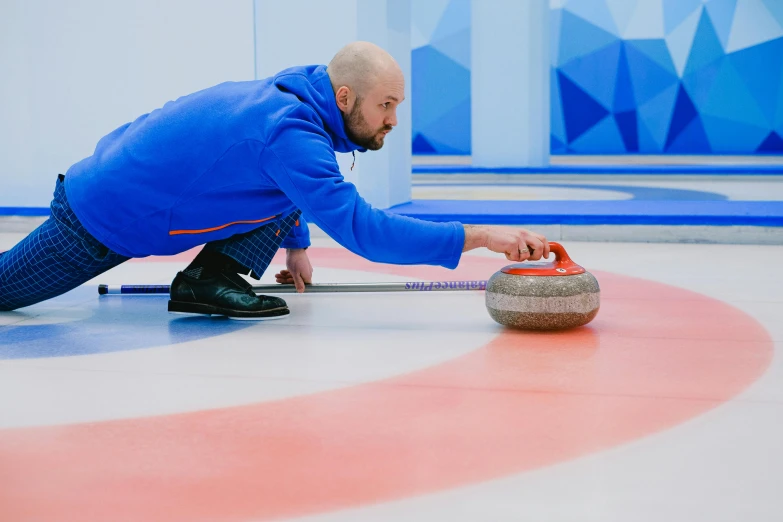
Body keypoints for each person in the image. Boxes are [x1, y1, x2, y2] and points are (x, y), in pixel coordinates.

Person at [0, 41, 549, 319]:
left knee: (290, 190)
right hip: (97, 220)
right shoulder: (291, 134)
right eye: (385, 105)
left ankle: (204, 281)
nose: (392, 121)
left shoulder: (299, 98)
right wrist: (480, 236)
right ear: (344, 98)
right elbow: (365, 230)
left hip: (117, 191)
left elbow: (287, 185)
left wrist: (296, 248)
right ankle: (201, 283)